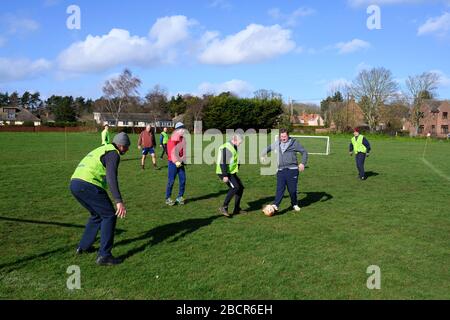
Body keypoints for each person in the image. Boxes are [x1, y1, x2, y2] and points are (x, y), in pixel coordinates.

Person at [70, 132, 130, 266]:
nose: (127, 150)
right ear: (121, 146)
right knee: (109, 215)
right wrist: (118, 200)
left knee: (97, 215)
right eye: (126, 147)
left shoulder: (102, 148)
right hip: (88, 184)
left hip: (75, 183)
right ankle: (104, 255)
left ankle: (83, 247)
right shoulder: (113, 154)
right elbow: (111, 177)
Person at [261, 128, 308, 213]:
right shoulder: (277, 143)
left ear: (288, 135)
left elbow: (304, 152)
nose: (283, 138)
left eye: (285, 136)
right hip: (281, 170)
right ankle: (275, 205)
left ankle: (294, 204)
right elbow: (268, 148)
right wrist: (263, 154)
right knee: (280, 189)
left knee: (292, 190)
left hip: (292, 170)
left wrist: (302, 163)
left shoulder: (294, 143)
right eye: (281, 136)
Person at [216, 134, 246, 217]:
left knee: (240, 188)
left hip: (231, 172)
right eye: (240, 142)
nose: (240, 144)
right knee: (235, 187)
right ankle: (224, 207)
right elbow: (223, 162)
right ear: (235, 140)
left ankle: (237, 209)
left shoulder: (233, 146)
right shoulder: (227, 148)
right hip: (224, 172)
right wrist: (225, 175)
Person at [165, 122, 187, 206]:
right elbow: (171, 151)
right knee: (171, 181)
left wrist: (183, 159)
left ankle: (180, 197)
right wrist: (176, 161)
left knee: (183, 179)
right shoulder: (173, 139)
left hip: (180, 163)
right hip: (172, 163)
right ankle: (168, 198)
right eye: (182, 129)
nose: (183, 130)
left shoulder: (183, 139)